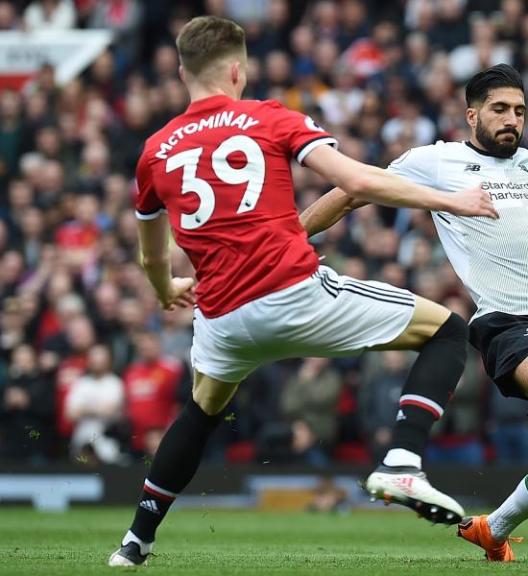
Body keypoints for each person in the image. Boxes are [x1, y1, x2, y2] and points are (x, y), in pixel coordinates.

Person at [109, 16, 499, 567]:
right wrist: (452, 201)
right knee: (448, 331)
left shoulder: (154, 150)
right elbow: (357, 182)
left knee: (201, 411)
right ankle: (402, 464)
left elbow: (151, 256)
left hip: (222, 319)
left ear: (181, 71)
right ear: (238, 70)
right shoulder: (269, 117)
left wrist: (163, 289)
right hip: (293, 292)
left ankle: (135, 542)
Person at [301, 64, 528, 561]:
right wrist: (290, 237)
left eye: (520, 111)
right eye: (500, 109)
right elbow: (354, 190)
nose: (512, 120)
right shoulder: (436, 161)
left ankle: (493, 528)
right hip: (506, 319)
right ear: (471, 114)